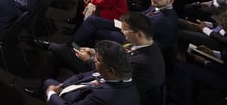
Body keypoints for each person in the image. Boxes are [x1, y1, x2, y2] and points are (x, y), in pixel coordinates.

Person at [33, 12, 165, 102]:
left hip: (100, 76)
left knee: (58, 50)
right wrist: (94, 52)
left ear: (139, 34)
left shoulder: (143, 64)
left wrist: (90, 60)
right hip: (101, 70)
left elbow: (114, 75)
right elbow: (115, 56)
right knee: (55, 55)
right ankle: (45, 91)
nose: (122, 32)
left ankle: (49, 47)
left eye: (125, 30)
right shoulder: (144, 45)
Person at [71, 0, 178, 50]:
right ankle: (77, 46)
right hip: (131, 28)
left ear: (170, 1)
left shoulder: (164, 20)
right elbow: (141, 16)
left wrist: (123, 24)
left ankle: (75, 47)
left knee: (97, 30)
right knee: (92, 20)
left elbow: (139, 33)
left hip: (136, 41)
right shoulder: (159, 6)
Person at [42, 40, 139, 105]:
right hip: (78, 90)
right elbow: (83, 75)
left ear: (110, 71)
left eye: (97, 60)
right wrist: (62, 86)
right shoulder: (118, 73)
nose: (94, 61)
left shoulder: (104, 96)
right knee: (49, 82)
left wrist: (51, 94)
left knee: (48, 85)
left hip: (74, 99)